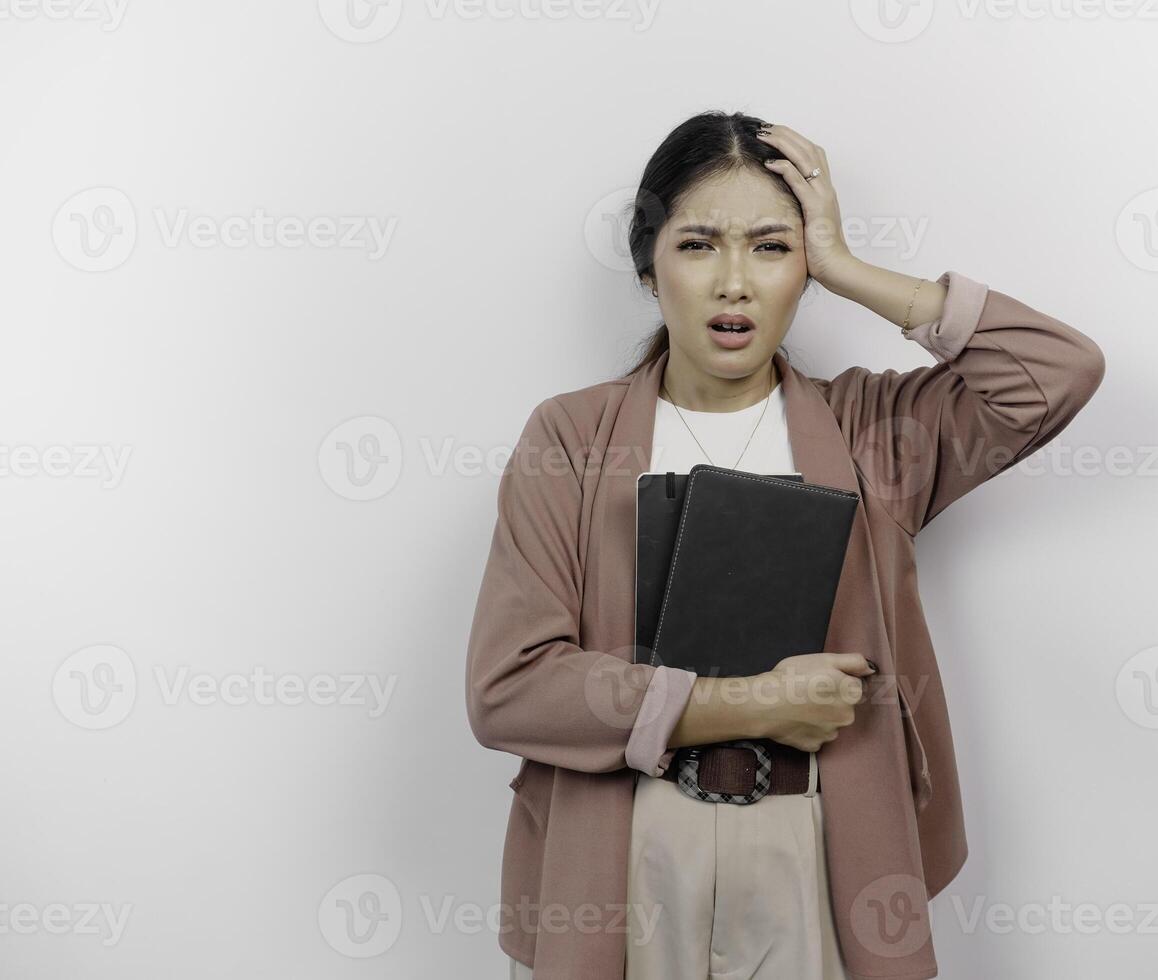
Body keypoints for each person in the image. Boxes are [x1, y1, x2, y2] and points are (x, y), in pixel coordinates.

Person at [466, 109, 1106, 980]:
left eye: (771, 248)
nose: (735, 282)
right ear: (650, 269)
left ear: (803, 270)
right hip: (624, 850)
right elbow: (511, 687)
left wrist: (848, 267)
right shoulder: (572, 438)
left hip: (819, 847)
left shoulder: (871, 433)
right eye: (698, 245)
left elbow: (1055, 374)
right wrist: (754, 704)